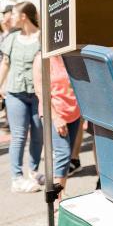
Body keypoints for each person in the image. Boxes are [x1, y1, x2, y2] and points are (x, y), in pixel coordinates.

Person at [0, 2, 44, 193]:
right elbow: (5, 64)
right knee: (18, 135)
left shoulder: (42, 37)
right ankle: (17, 178)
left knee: (38, 133)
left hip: (37, 94)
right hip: (15, 93)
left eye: (15, 14)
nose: (11, 17)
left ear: (24, 16)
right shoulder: (11, 38)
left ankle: (33, 172)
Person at [32, 53, 81, 199]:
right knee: (63, 154)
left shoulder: (68, 55)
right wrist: (56, 117)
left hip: (73, 112)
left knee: (66, 156)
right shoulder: (41, 58)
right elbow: (40, 91)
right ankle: (56, 200)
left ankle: (61, 194)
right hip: (54, 114)